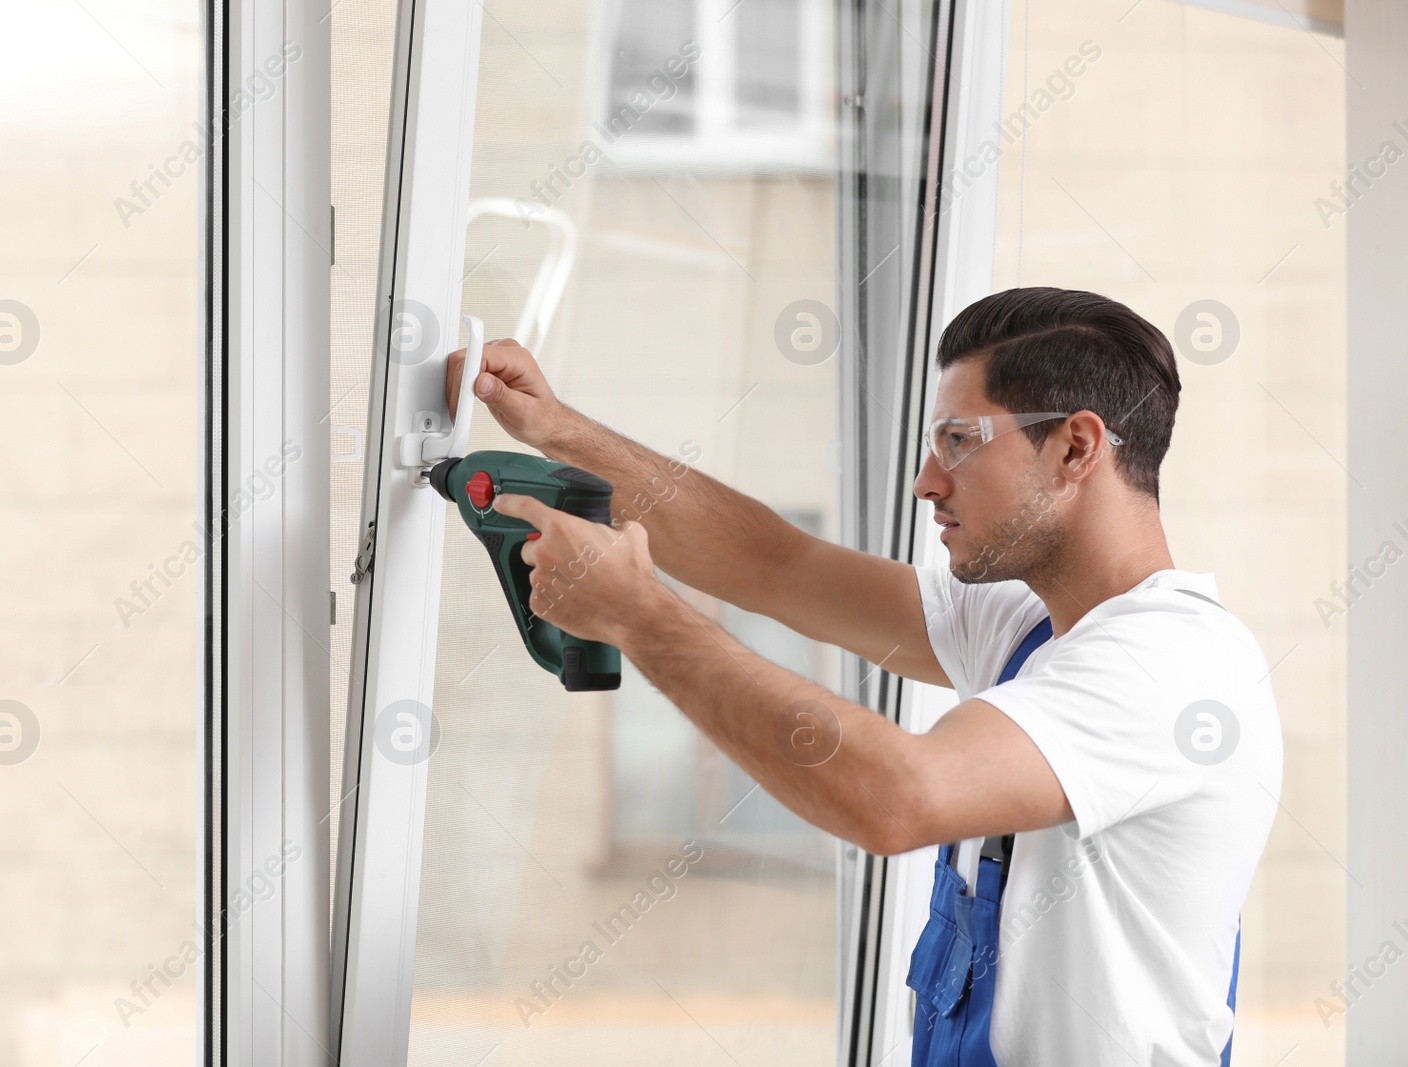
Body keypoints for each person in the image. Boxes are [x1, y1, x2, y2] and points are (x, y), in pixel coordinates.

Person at [443, 285, 1282, 1066]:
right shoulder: (1031, 629)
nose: (928, 481)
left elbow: (899, 797)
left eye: (959, 441)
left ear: (1076, 447)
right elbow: (777, 565)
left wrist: (640, 617)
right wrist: (559, 430)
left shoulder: (1171, 665)